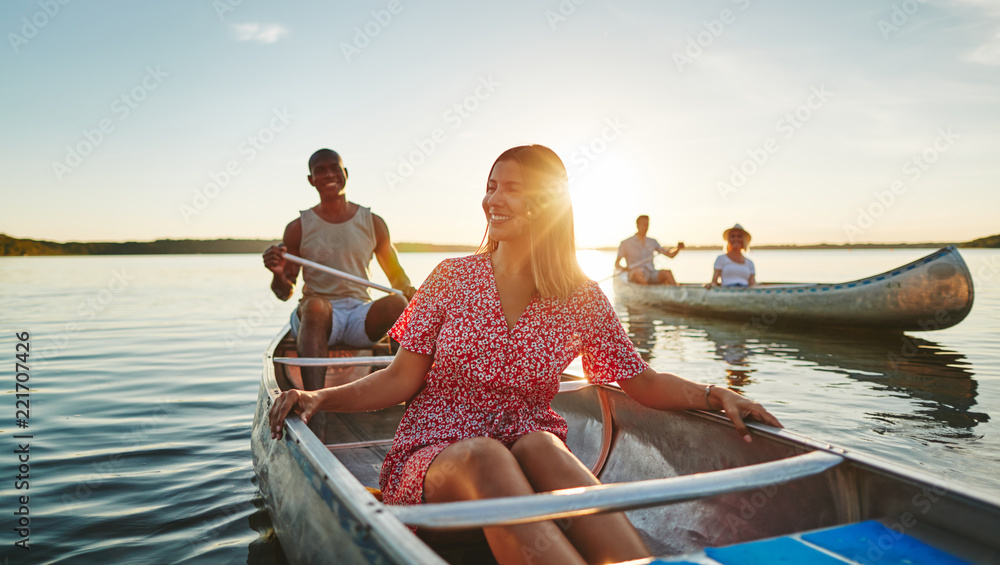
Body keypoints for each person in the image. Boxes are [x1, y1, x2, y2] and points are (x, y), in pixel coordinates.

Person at [269, 145, 782, 565]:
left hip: (526, 451)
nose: (493, 198)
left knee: (541, 445)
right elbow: (398, 380)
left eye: (511, 187)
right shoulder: (451, 278)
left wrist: (717, 395)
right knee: (488, 453)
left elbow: (641, 382)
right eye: (491, 185)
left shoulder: (578, 295)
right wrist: (318, 396)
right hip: (437, 460)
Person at [262, 148, 416, 391]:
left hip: (359, 316)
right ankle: (314, 405)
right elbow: (284, 293)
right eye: (320, 171)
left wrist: (409, 293)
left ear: (345, 173)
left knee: (397, 302)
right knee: (314, 305)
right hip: (317, 319)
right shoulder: (298, 227)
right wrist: (278, 274)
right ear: (311, 180)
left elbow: (398, 279)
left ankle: (405, 395)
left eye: (335, 168)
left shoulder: (373, 223)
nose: (329, 175)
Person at [615, 215, 684, 285]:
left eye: (647, 224)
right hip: (635, 273)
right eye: (643, 224)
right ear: (637, 225)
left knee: (667, 273)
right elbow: (617, 264)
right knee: (639, 273)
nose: (646, 227)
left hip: (651, 272)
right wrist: (623, 268)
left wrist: (678, 248)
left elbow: (670, 255)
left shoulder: (653, 242)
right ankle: (645, 293)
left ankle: (677, 292)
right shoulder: (626, 243)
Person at [706, 223, 756, 288]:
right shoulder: (721, 259)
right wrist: (710, 285)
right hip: (726, 290)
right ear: (729, 240)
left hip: (745, 291)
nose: (736, 239)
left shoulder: (749, 263)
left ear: (744, 239)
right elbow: (714, 282)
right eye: (733, 236)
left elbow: (753, 284)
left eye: (739, 236)